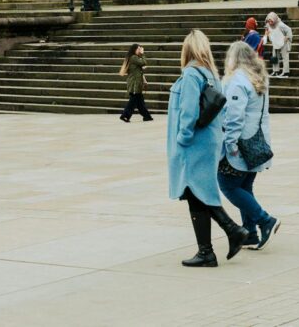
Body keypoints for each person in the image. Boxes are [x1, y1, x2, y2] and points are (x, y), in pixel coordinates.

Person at [168, 30, 253, 267]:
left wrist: (183, 138)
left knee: (197, 191)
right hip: (209, 141)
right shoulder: (211, 75)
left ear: (187, 49)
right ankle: (209, 249)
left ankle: (230, 233)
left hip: (194, 143)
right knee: (197, 193)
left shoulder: (191, 75)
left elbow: (188, 112)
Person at [218, 41, 280, 249]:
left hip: (241, 144)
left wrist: (230, 143)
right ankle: (251, 233)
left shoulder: (237, 81)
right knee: (245, 186)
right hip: (257, 142)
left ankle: (265, 220)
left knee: (227, 185)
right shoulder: (258, 79)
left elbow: (235, 117)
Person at [118, 43, 153, 122]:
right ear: (134, 50)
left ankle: (147, 116)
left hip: (137, 83)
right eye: (138, 49)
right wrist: (143, 54)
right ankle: (125, 115)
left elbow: (139, 70)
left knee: (140, 102)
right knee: (133, 101)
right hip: (134, 84)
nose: (139, 50)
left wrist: (144, 81)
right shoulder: (133, 57)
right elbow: (143, 63)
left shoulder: (135, 58)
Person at [264, 12, 292, 77]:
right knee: (275, 57)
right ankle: (275, 71)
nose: (270, 22)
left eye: (271, 20)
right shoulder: (268, 24)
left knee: (285, 57)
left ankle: (285, 72)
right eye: (269, 20)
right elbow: (267, 30)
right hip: (275, 42)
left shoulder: (280, 25)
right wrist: (267, 35)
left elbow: (289, 30)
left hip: (283, 42)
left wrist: (287, 37)